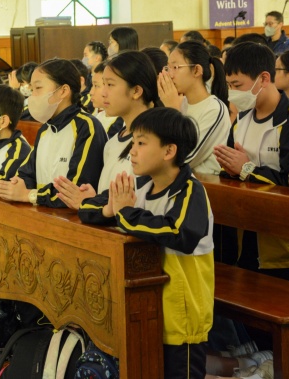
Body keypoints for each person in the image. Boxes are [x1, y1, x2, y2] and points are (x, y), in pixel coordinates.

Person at [79, 107, 214, 379]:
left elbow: (179, 232)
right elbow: (87, 207)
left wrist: (125, 213)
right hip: (142, 312)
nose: (132, 151)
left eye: (141, 143)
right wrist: (109, 210)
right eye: (132, 143)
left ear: (169, 151)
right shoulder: (139, 185)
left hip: (181, 317)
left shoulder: (190, 190)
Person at [213, 42, 289, 287]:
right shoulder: (242, 118)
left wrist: (247, 169)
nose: (232, 94)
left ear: (263, 78)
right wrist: (230, 169)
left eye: (237, 85)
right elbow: (234, 168)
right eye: (229, 86)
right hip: (247, 235)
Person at [0, 58, 107, 208]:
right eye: (31, 90)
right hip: (43, 211)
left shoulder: (87, 126)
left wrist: (29, 195)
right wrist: (18, 183)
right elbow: (27, 173)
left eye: (38, 88)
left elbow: (74, 191)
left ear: (63, 91)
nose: (32, 96)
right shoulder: (45, 129)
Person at [54, 50, 160, 210]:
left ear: (136, 91)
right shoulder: (112, 143)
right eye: (102, 85)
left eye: (110, 85)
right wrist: (94, 198)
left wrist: (92, 204)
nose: (103, 93)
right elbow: (112, 201)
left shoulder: (155, 140)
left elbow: (136, 204)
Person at [158, 41, 231, 174]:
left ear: (196, 70)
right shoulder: (180, 103)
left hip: (203, 183)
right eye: (168, 68)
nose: (170, 75)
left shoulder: (214, 109)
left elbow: (185, 159)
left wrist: (173, 112)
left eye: (176, 67)